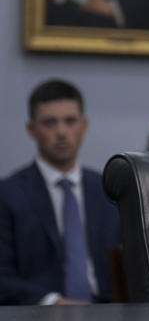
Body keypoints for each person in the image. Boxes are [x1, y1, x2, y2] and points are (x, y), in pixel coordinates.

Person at [0, 80, 121, 305]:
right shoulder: (8, 194)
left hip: (106, 311)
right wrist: (52, 302)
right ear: (31, 129)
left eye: (70, 121)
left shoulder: (108, 190)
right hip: (39, 312)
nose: (62, 132)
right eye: (49, 123)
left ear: (84, 125)